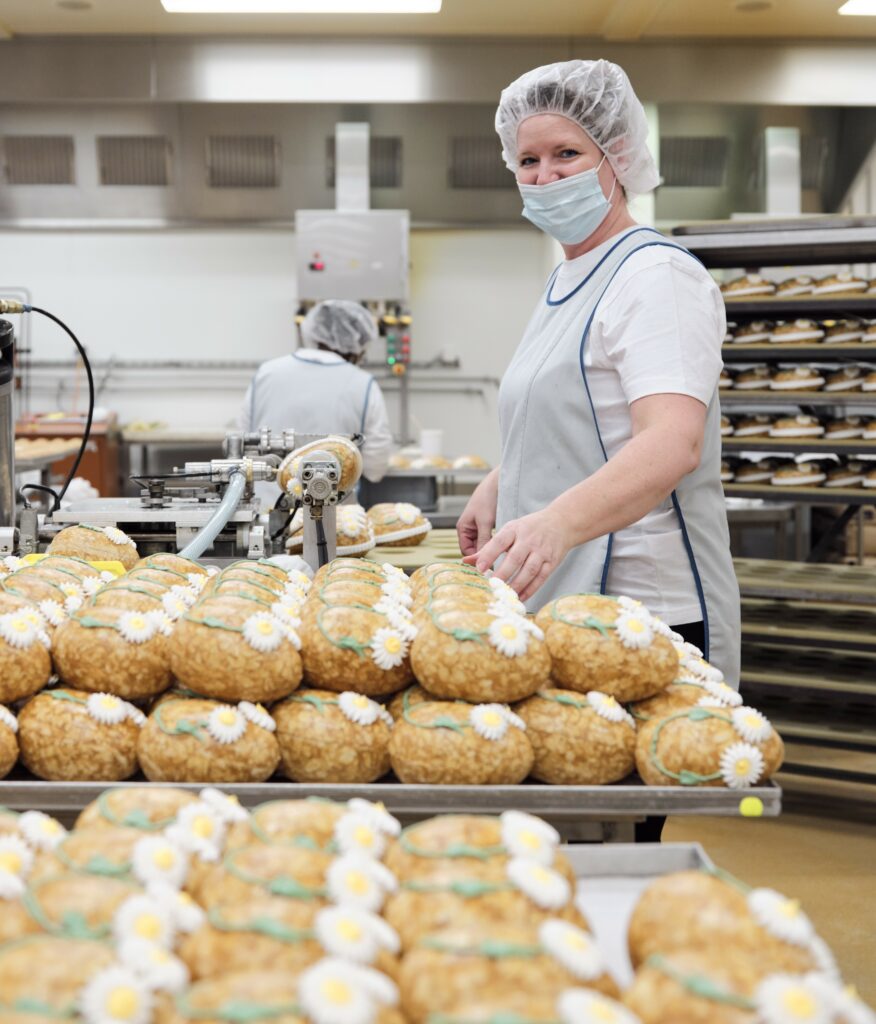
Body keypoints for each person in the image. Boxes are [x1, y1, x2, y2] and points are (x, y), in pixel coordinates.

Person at [458, 58, 740, 688]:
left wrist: (556, 521)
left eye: (566, 154)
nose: (545, 175)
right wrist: (506, 481)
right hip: (573, 598)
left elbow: (671, 442)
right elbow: (583, 417)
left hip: (645, 609)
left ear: (616, 158)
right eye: (529, 161)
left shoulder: (654, 277)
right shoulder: (571, 275)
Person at [239, 299, 394, 503]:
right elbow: (376, 467)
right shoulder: (363, 384)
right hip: (336, 521)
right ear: (357, 346)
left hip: (264, 516)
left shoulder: (266, 373)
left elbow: (242, 444)